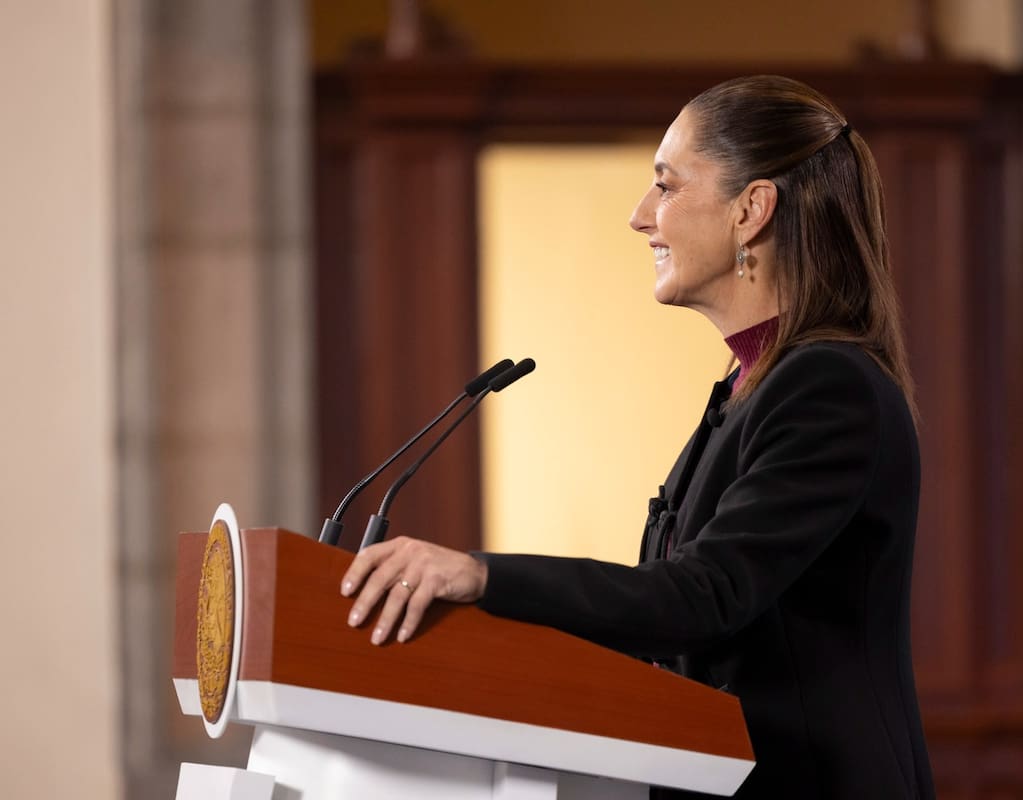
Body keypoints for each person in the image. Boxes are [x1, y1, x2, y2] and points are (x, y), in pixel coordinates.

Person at [340, 75, 935, 799]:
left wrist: (481, 577)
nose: (640, 216)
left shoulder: (827, 389)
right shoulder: (749, 387)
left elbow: (703, 596)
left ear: (752, 209)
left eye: (666, 185)